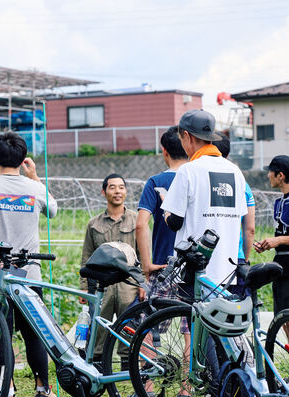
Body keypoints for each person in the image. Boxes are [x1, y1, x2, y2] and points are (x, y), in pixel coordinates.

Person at [0, 132, 58, 397]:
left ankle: (7, 393)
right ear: (22, 159)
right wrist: (34, 178)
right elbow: (52, 210)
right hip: (29, 274)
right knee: (35, 333)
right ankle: (43, 390)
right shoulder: (34, 190)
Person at [161, 110, 249, 289]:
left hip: (195, 272)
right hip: (227, 271)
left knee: (195, 316)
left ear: (186, 136)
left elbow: (175, 223)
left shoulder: (188, 171)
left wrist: (166, 213)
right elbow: (239, 217)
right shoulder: (235, 172)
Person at [253, 155, 289, 361]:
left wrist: (278, 241)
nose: (268, 175)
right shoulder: (279, 202)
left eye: (271, 172)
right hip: (281, 266)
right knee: (285, 322)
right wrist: (269, 244)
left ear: (280, 175)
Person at [80, 173, 143, 362]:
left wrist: (143, 284)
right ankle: (97, 370)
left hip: (129, 285)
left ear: (126, 191)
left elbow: (144, 254)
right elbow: (86, 256)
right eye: (112, 187)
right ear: (104, 191)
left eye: (121, 187)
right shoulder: (94, 224)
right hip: (102, 286)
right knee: (99, 330)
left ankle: (128, 371)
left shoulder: (137, 220)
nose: (117, 191)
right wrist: (84, 287)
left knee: (129, 328)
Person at [137, 127, 187, 299]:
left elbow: (141, 224)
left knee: (156, 321)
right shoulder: (197, 178)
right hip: (193, 266)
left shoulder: (156, 182)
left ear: (164, 151)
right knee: (192, 322)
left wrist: (146, 267)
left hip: (163, 266)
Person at [215, 132, 255, 265]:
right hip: (235, 257)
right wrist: (245, 258)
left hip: (207, 256)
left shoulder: (198, 177)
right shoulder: (243, 184)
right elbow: (250, 229)